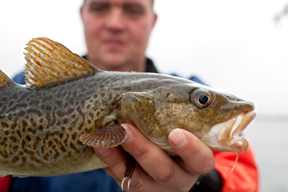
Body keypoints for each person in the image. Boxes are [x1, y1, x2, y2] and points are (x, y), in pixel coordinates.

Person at [2, 0, 258, 191]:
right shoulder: (19, 87)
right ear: (82, 14)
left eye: (133, 10)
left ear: (152, 20)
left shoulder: (191, 87)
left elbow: (244, 180)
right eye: (100, 7)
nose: (115, 23)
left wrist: (201, 184)